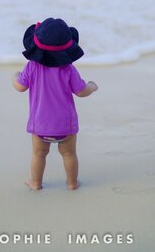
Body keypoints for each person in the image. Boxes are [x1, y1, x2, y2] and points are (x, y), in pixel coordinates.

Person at [12, 18, 98, 191]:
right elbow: (81, 91)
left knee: (38, 154)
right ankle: (72, 183)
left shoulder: (32, 66)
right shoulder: (68, 69)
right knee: (69, 154)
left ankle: (36, 183)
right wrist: (92, 86)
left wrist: (15, 76)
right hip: (65, 125)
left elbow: (20, 87)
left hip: (40, 126)